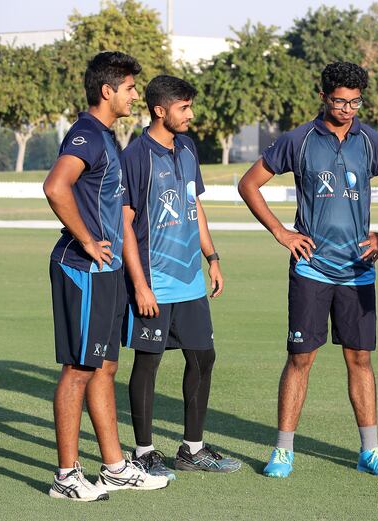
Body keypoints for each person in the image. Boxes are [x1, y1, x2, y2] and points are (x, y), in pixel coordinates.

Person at [238, 62, 378, 478]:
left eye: (356, 101)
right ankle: (283, 451)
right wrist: (281, 232)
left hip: (359, 272)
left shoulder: (371, 142)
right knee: (301, 359)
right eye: (340, 101)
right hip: (311, 269)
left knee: (360, 359)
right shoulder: (298, 140)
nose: (348, 109)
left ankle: (370, 451)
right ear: (323, 97)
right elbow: (249, 183)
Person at [44, 51, 169, 502]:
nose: (136, 93)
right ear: (108, 91)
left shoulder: (107, 136)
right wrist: (86, 240)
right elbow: (55, 187)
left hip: (109, 271)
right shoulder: (86, 135)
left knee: (104, 366)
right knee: (79, 369)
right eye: (132, 87)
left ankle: (115, 467)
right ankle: (65, 476)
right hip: (83, 269)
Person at [120, 75, 241, 477]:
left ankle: (192, 449)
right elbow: (125, 223)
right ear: (160, 110)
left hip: (190, 277)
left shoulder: (188, 147)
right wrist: (139, 285)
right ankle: (142, 452)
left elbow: (195, 206)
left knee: (203, 358)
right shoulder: (136, 155)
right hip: (154, 280)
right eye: (183, 107)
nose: (191, 114)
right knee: (149, 362)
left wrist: (212, 257)